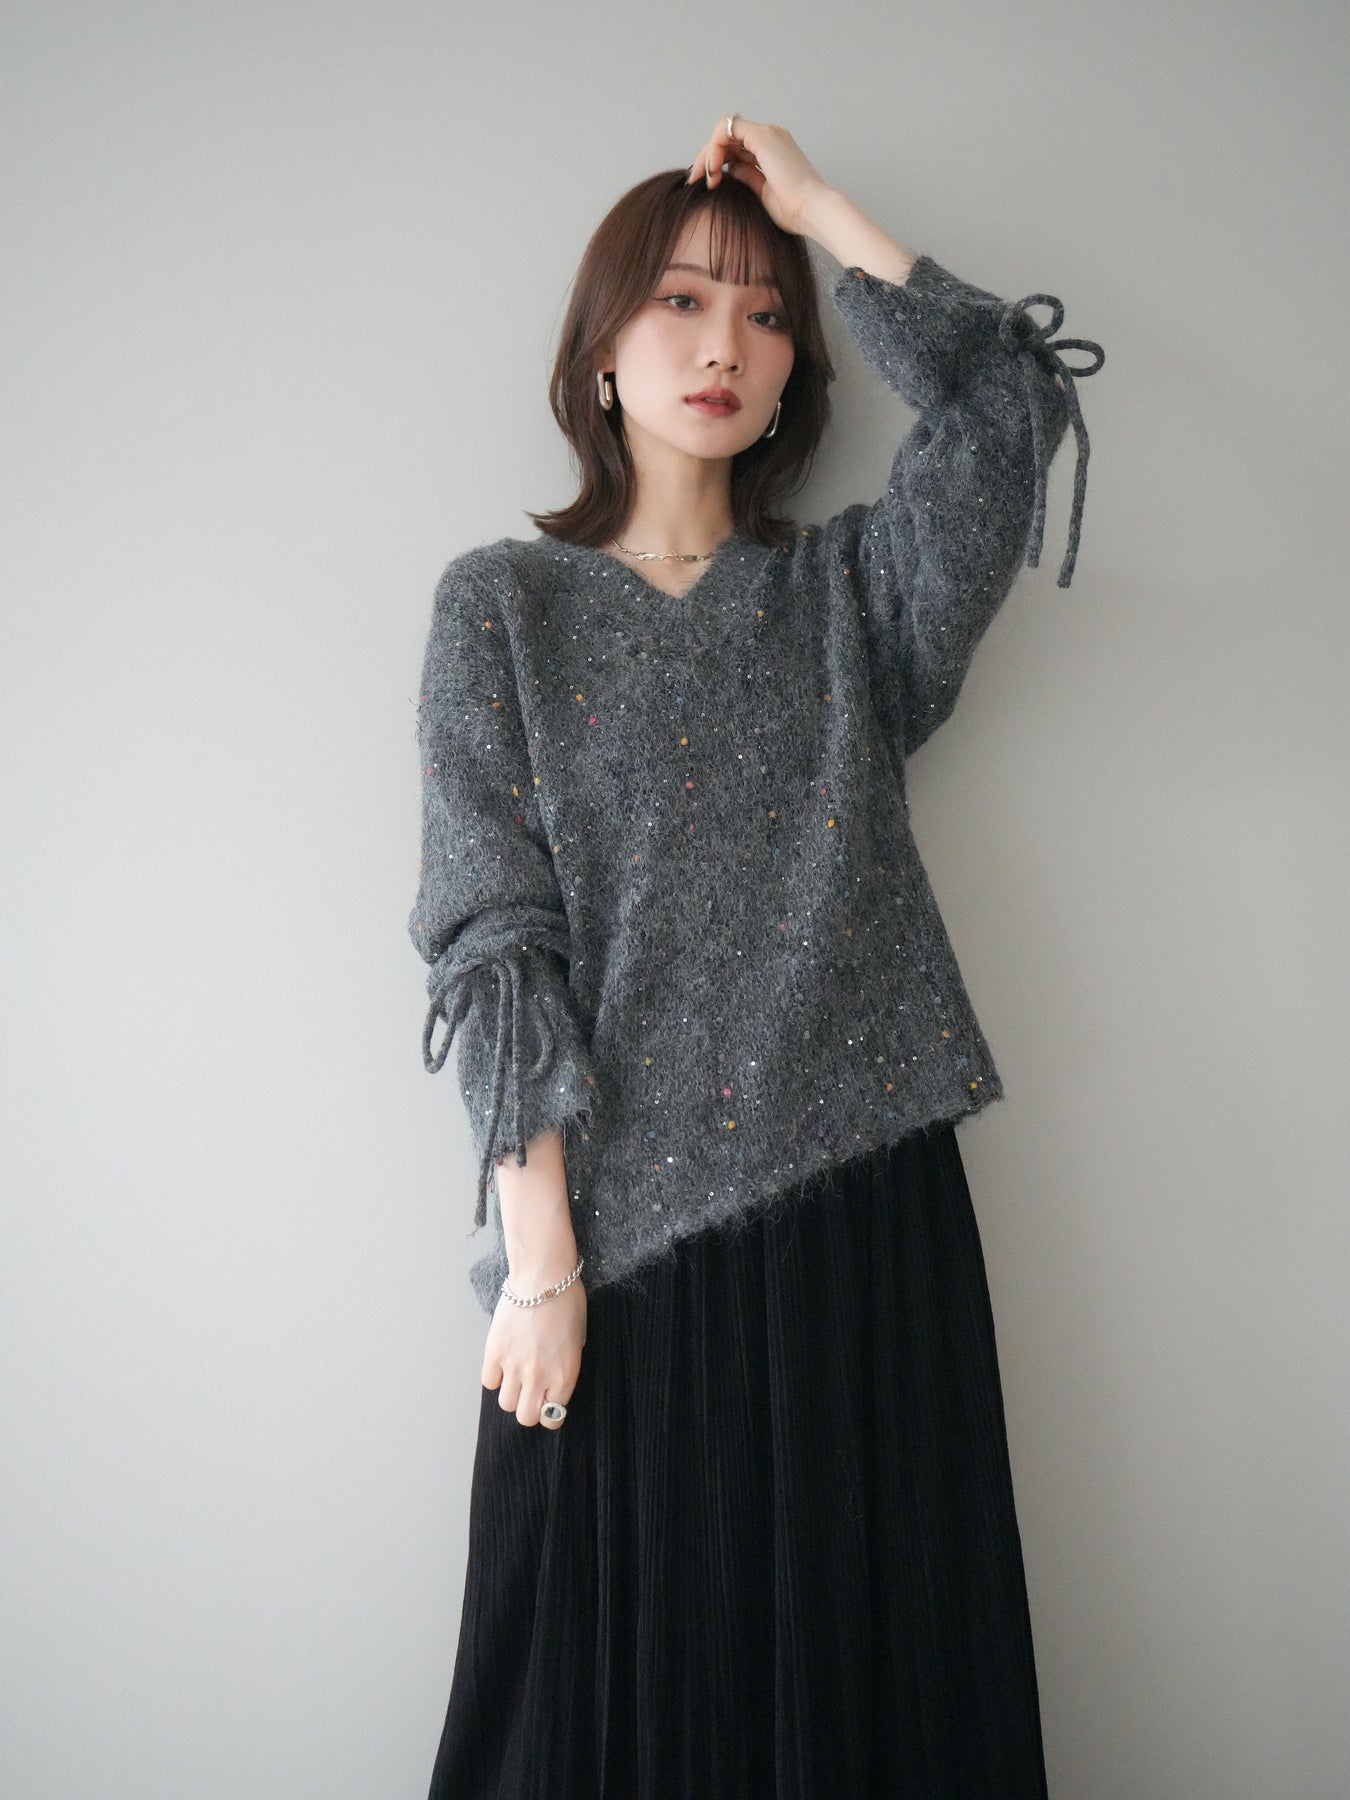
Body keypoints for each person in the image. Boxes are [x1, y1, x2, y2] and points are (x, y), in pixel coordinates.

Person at [409, 114, 1103, 1798]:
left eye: (764, 312)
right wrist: (543, 1263)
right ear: (599, 347)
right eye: (678, 300)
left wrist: (826, 215)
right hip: (615, 1245)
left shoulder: (853, 595)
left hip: (861, 1205)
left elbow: (1007, 413)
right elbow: (493, 941)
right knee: (589, 1705)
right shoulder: (499, 606)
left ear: (799, 369)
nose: (723, 343)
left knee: (874, 1685)